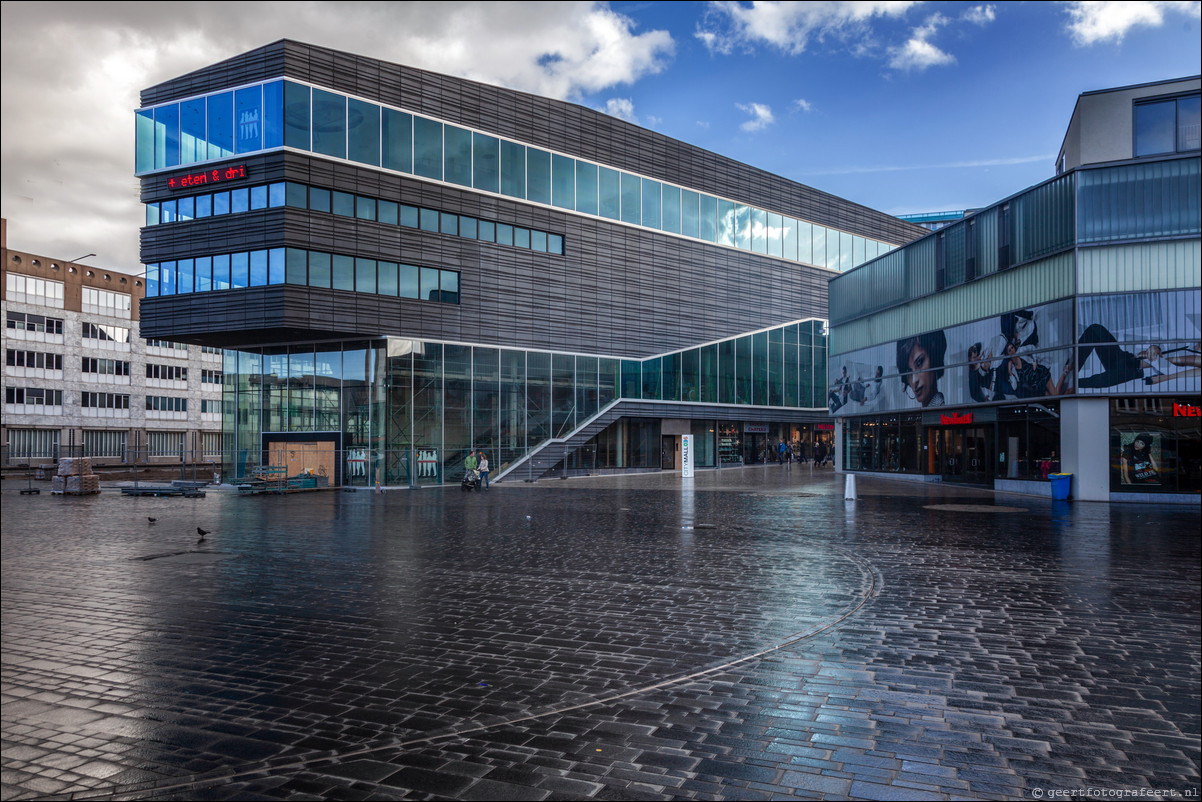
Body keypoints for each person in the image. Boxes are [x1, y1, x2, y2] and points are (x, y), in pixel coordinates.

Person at [1078, 325, 1201, 388]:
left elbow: (1175, 367)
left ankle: (1070, 385)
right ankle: (1072, 369)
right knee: (1095, 329)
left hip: (1133, 371)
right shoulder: (1187, 345)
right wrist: (1155, 348)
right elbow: (1158, 350)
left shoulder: (1197, 362)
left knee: (1095, 381)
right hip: (1127, 359)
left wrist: (1154, 355)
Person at [897, 331, 947, 407]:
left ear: (933, 359)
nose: (914, 381)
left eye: (919, 363)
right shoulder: (928, 413)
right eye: (908, 371)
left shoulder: (939, 415)